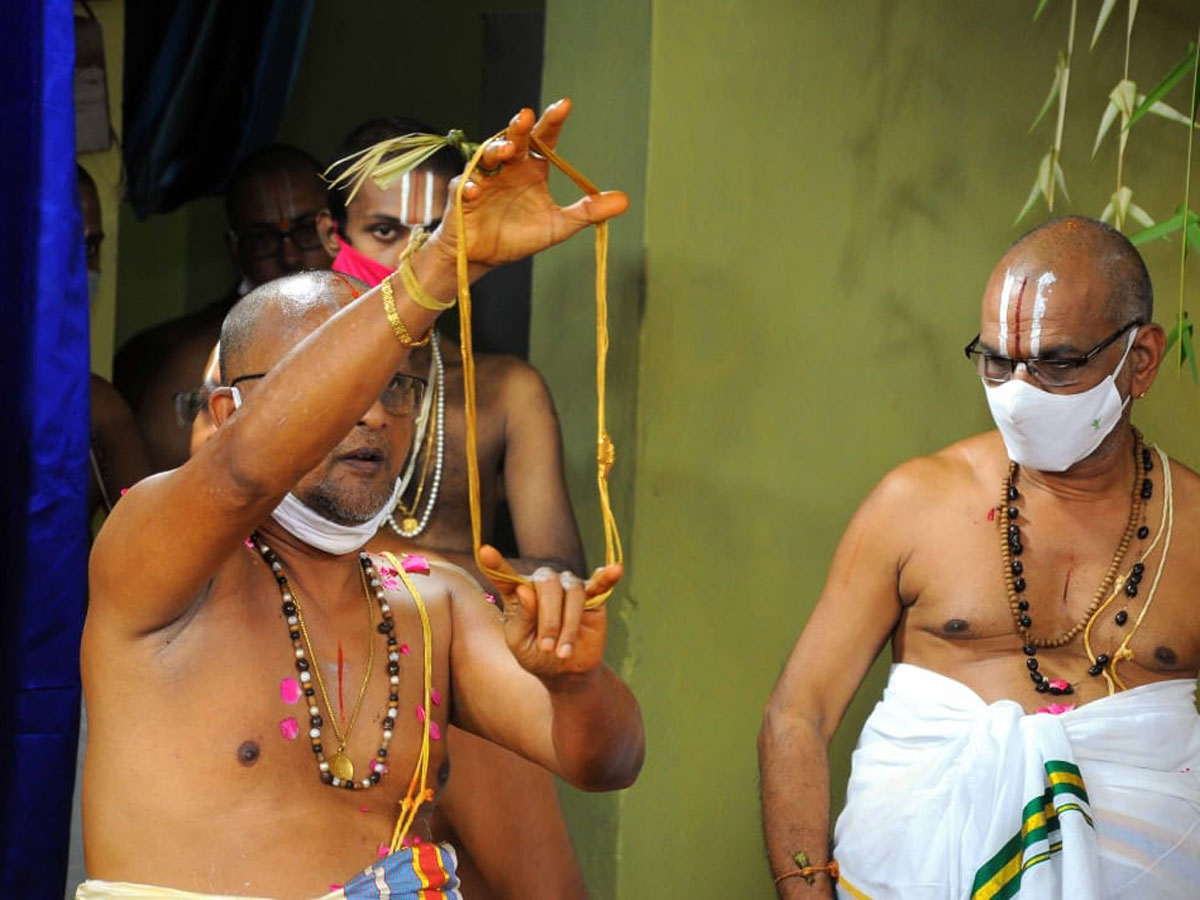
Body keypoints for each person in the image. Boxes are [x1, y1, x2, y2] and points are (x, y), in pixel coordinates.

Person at [79, 102, 643, 899]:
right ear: (228, 413)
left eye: (398, 387)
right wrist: (438, 268)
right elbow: (244, 474)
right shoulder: (159, 557)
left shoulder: (434, 605)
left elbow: (607, 761)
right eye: (329, 388)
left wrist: (577, 681)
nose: (373, 411)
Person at [759, 216, 1200, 899]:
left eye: (1056, 363)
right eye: (996, 361)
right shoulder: (915, 503)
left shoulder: (1192, 528)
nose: (1018, 392)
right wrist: (804, 889)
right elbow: (799, 711)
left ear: (1140, 360)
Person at [322, 117, 586, 582]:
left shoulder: (507, 390)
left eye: (436, 233)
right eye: (386, 232)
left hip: (458, 651)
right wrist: (479, 575)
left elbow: (560, 583)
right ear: (331, 235)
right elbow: (272, 546)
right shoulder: (284, 372)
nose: (413, 257)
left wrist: (376, 561)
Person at [114, 144, 339, 471]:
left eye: (306, 231)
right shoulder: (198, 363)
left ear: (337, 231)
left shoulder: (382, 334)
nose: (289, 256)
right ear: (236, 250)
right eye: (262, 239)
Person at [79, 164, 153, 520]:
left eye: (89, 246)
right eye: (56, 246)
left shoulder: (96, 406)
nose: (78, 269)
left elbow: (150, 543)